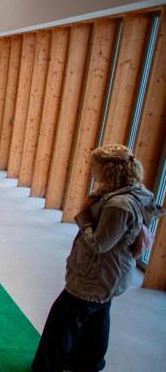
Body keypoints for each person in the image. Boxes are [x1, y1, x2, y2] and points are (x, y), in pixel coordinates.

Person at [32, 144, 161, 372]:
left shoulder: (119, 205)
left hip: (98, 275)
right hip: (107, 275)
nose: (91, 169)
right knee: (96, 318)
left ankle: (48, 366)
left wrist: (83, 216)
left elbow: (100, 244)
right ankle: (88, 362)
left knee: (61, 321)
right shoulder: (121, 193)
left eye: (95, 165)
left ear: (109, 169)